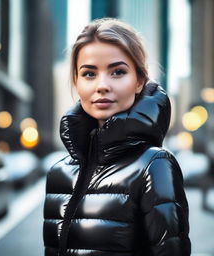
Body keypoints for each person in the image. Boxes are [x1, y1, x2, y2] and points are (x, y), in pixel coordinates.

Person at [43, 18, 191, 256]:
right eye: (89, 74)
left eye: (118, 72)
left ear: (139, 81)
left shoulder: (154, 165)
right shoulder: (58, 172)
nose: (102, 85)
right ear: (76, 82)